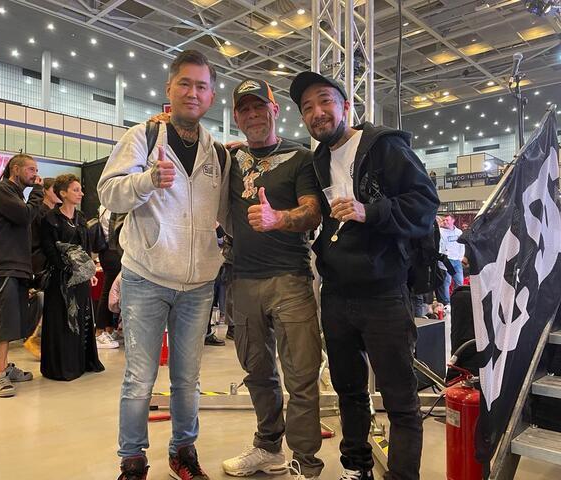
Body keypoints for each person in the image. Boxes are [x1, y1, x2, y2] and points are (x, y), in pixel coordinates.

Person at [290, 71, 439, 480]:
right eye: (307, 108)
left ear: (345, 105)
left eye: (324, 101)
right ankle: (356, 467)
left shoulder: (384, 146)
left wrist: (369, 211)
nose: (317, 113)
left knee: (400, 398)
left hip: (384, 293)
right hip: (337, 294)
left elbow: (425, 203)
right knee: (349, 392)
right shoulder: (318, 159)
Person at [98, 49, 229, 480]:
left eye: (202, 86)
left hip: (198, 285)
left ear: (211, 97)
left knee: (187, 379)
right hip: (146, 278)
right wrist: (147, 181)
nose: (193, 92)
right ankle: (132, 460)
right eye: (185, 83)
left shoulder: (219, 155)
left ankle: (183, 452)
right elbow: (109, 192)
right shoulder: (142, 137)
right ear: (169, 89)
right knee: (139, 377)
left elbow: (227, 215)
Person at [222, 79, 324, 480]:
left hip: (290, 280)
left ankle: (305, 462)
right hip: (244, 280)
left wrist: (278, 218)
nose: (253, 115)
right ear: (236, 116)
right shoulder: (230, 158)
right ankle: (268, 447)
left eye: (259, 107)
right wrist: (162, 121)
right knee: (257, 372)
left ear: (275, 109)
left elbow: (313, 212)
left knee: (301, 376)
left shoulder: (300, 158)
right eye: (244, 109)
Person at [0, 154, 44, 398]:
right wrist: (38, 192)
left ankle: (6, 367)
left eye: (36, 170)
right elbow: (25, 215)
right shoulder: (1, 190)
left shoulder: (17, 195)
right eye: (30, 169)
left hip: (17, 266)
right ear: (15, 169)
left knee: (16, 321)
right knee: (3, 321)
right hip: (2, 265)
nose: (35, 174)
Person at [40, 174, 104, 381]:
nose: (81, 193)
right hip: (61, 279)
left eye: (80, 190)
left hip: (81, 278)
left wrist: (89, 270)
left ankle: (82, 362)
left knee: (82, 317)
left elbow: (86, 247)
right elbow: (49, 250)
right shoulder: (50, 219)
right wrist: (69, 268)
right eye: (76, 190)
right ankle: (63, 366)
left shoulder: (81, 217)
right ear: (63, 193)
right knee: (63, 320)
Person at [23, 177, 59, 359]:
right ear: (45, 191)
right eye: (55, 189)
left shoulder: (54, 213)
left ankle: (43, 338)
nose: (58, 193)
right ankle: (36, 338)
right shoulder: (39, 213)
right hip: (39, 262)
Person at [94, 205, 121, 350]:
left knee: (110, 291)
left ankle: (109, 329)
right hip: (113, 252)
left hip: (106, 252)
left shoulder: (103, 206)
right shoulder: (114, 207)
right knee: (108, 292)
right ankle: (100, 331)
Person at [438, 213, 465, 305]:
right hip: (447, 261)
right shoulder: (441, 232)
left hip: (457, 260)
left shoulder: (459, 232)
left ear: (453, 220)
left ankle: (458, 301)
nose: (445, 222)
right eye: (444, 220)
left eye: (447, 220)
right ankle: (447, 303)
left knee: (459, 282)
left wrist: (460, 257)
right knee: (447, 282)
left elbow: (462, 245)